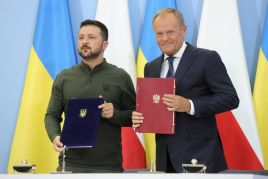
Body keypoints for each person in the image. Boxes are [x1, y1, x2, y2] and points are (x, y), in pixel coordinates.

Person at [132, 8, 239, 173]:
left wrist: (189, 105)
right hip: (165, 157)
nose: (165, 38)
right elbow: (155, 106)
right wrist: (141, 116)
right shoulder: (150, 67)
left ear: (183, 30)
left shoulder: (207, 58)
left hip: (200, 154)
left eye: (170, 32)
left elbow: (230, 98)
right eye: (159, 33)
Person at [45, 19, 136, 173]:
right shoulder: (64, 77)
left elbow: (135, 117)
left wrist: (114, 114)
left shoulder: (120, 76)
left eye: (91, 37)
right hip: (70, 165)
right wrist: (55, 136)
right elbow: (51, 115)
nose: (85, 42)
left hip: (109, 167)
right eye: (81, 37)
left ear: (105, 45)